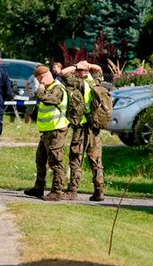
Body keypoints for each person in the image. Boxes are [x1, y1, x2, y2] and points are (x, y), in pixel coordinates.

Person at [61, 60, 106, 201]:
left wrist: (76, 66)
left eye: (78, 70)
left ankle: (72, 190)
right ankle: (99, 191)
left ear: (82, 72)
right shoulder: (95, 82)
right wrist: (89, 65)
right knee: (96, 160)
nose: (76, 72)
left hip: (82, 126)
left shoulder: (78, 83)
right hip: (95, 127)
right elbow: (98, 68)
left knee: (76, 158)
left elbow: (63, 73)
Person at [23, 65, 69, 201]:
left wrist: (41, 85)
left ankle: (57, 191)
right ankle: (39, 188)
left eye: (41, 78)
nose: (40, 81)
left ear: (46, 75)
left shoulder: (57, 89)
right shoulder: (49, 88)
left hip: (56, 130)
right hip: (47, 132)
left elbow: (43, 97)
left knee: (55, 161)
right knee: (40, 159)